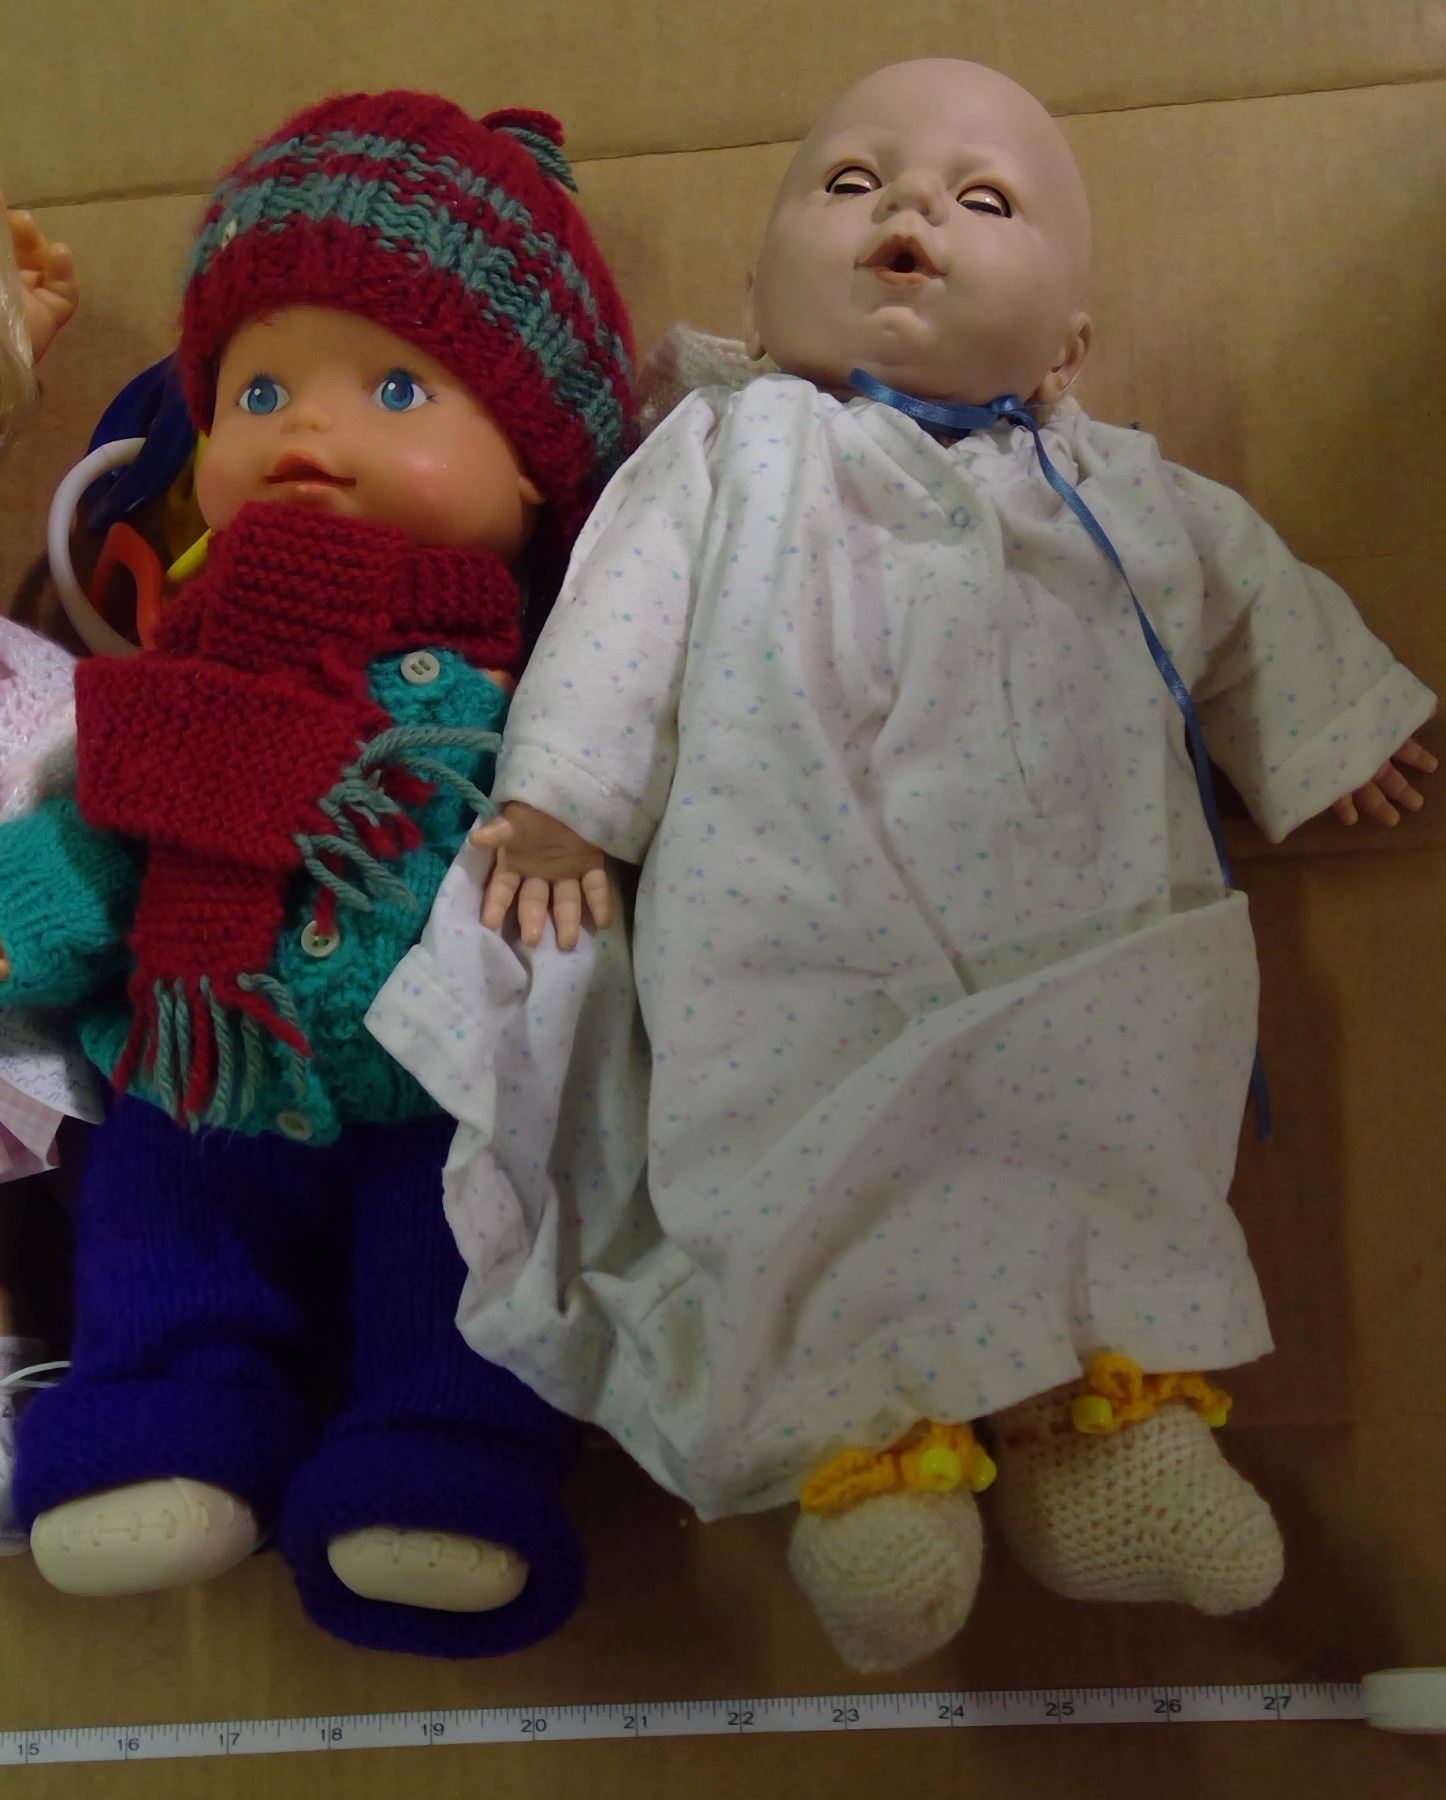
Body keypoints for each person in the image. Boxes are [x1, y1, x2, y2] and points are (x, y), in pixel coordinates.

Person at [378, 59, 1436, 1671]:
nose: (910, 207)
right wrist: (565, 798)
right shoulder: (723, 453)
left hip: (1085, 937)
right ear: (758, 294)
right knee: (789, 1163)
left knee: (1109, 1128)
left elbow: (1244, 602)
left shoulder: (1121, 493)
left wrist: (1326, 726)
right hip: (791, 928)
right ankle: (866, 1464)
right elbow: (615, 620)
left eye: (983, 199)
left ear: (1065, 343)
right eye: (850, 181)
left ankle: (1107, 1432)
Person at [0, 90, 635, 1656]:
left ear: (540, 470)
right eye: (257, 387)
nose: (303, 429)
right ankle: (163, 1420)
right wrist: (33, 923)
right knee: (158, 1217)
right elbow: (109, 827)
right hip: (202, 1061)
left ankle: (443, 1454)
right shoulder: (169, 677)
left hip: (447, 1084)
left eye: (397, 387)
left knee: (465, 1262)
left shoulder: (558, 696)